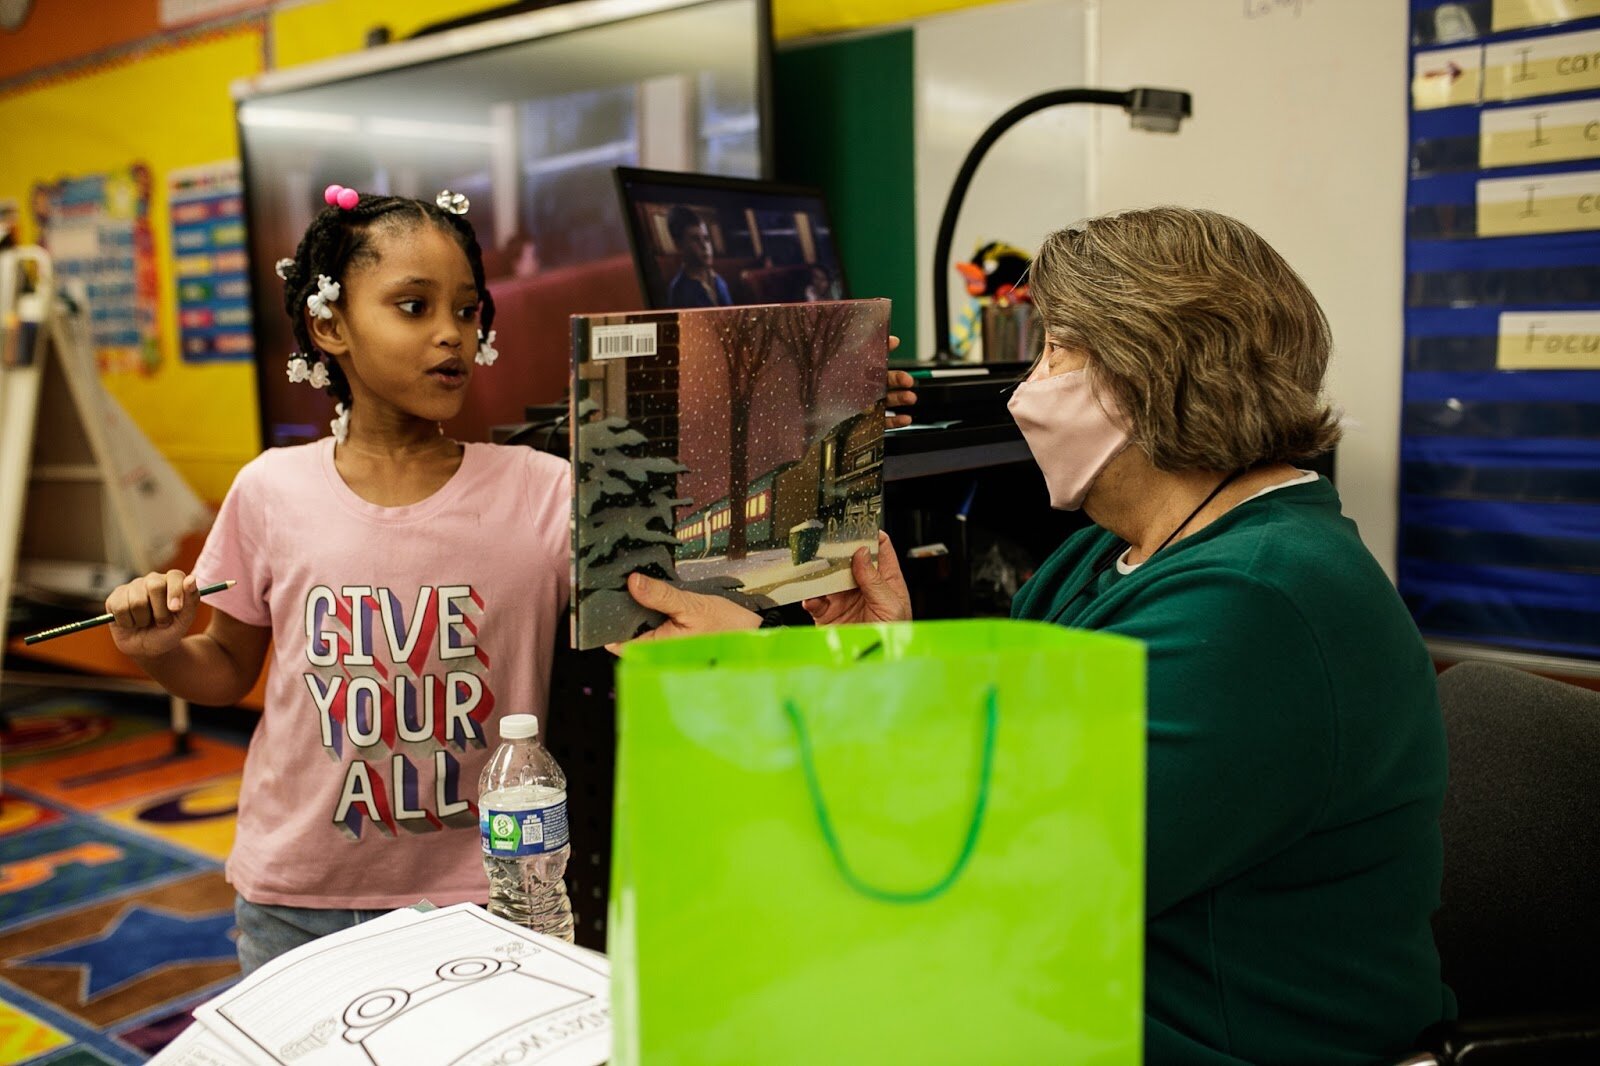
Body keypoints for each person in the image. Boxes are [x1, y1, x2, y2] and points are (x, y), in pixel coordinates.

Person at [619, 206, 1453, 1064]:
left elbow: (985, 869)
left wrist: (753, 674)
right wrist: (877, 655)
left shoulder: (1260, 601)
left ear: (1153, 367)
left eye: (1058, 347)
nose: (1030, 381)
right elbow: (999, 765)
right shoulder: (1116, 551)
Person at [102, 187, 571, 974]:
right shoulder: (269, 491)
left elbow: (644, 628)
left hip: (488, 896)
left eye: (467, 309)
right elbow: (223, 670)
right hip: (296, 901)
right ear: (329, 326)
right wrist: (159, 652)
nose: (451, 334)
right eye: (414, 307)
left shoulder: (541, 489)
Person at [663, 204, 731, 308]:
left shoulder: (719, 281)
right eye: (695, 239)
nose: (704, 246)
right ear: (679, 245)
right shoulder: (679, 291)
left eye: (706, 238)